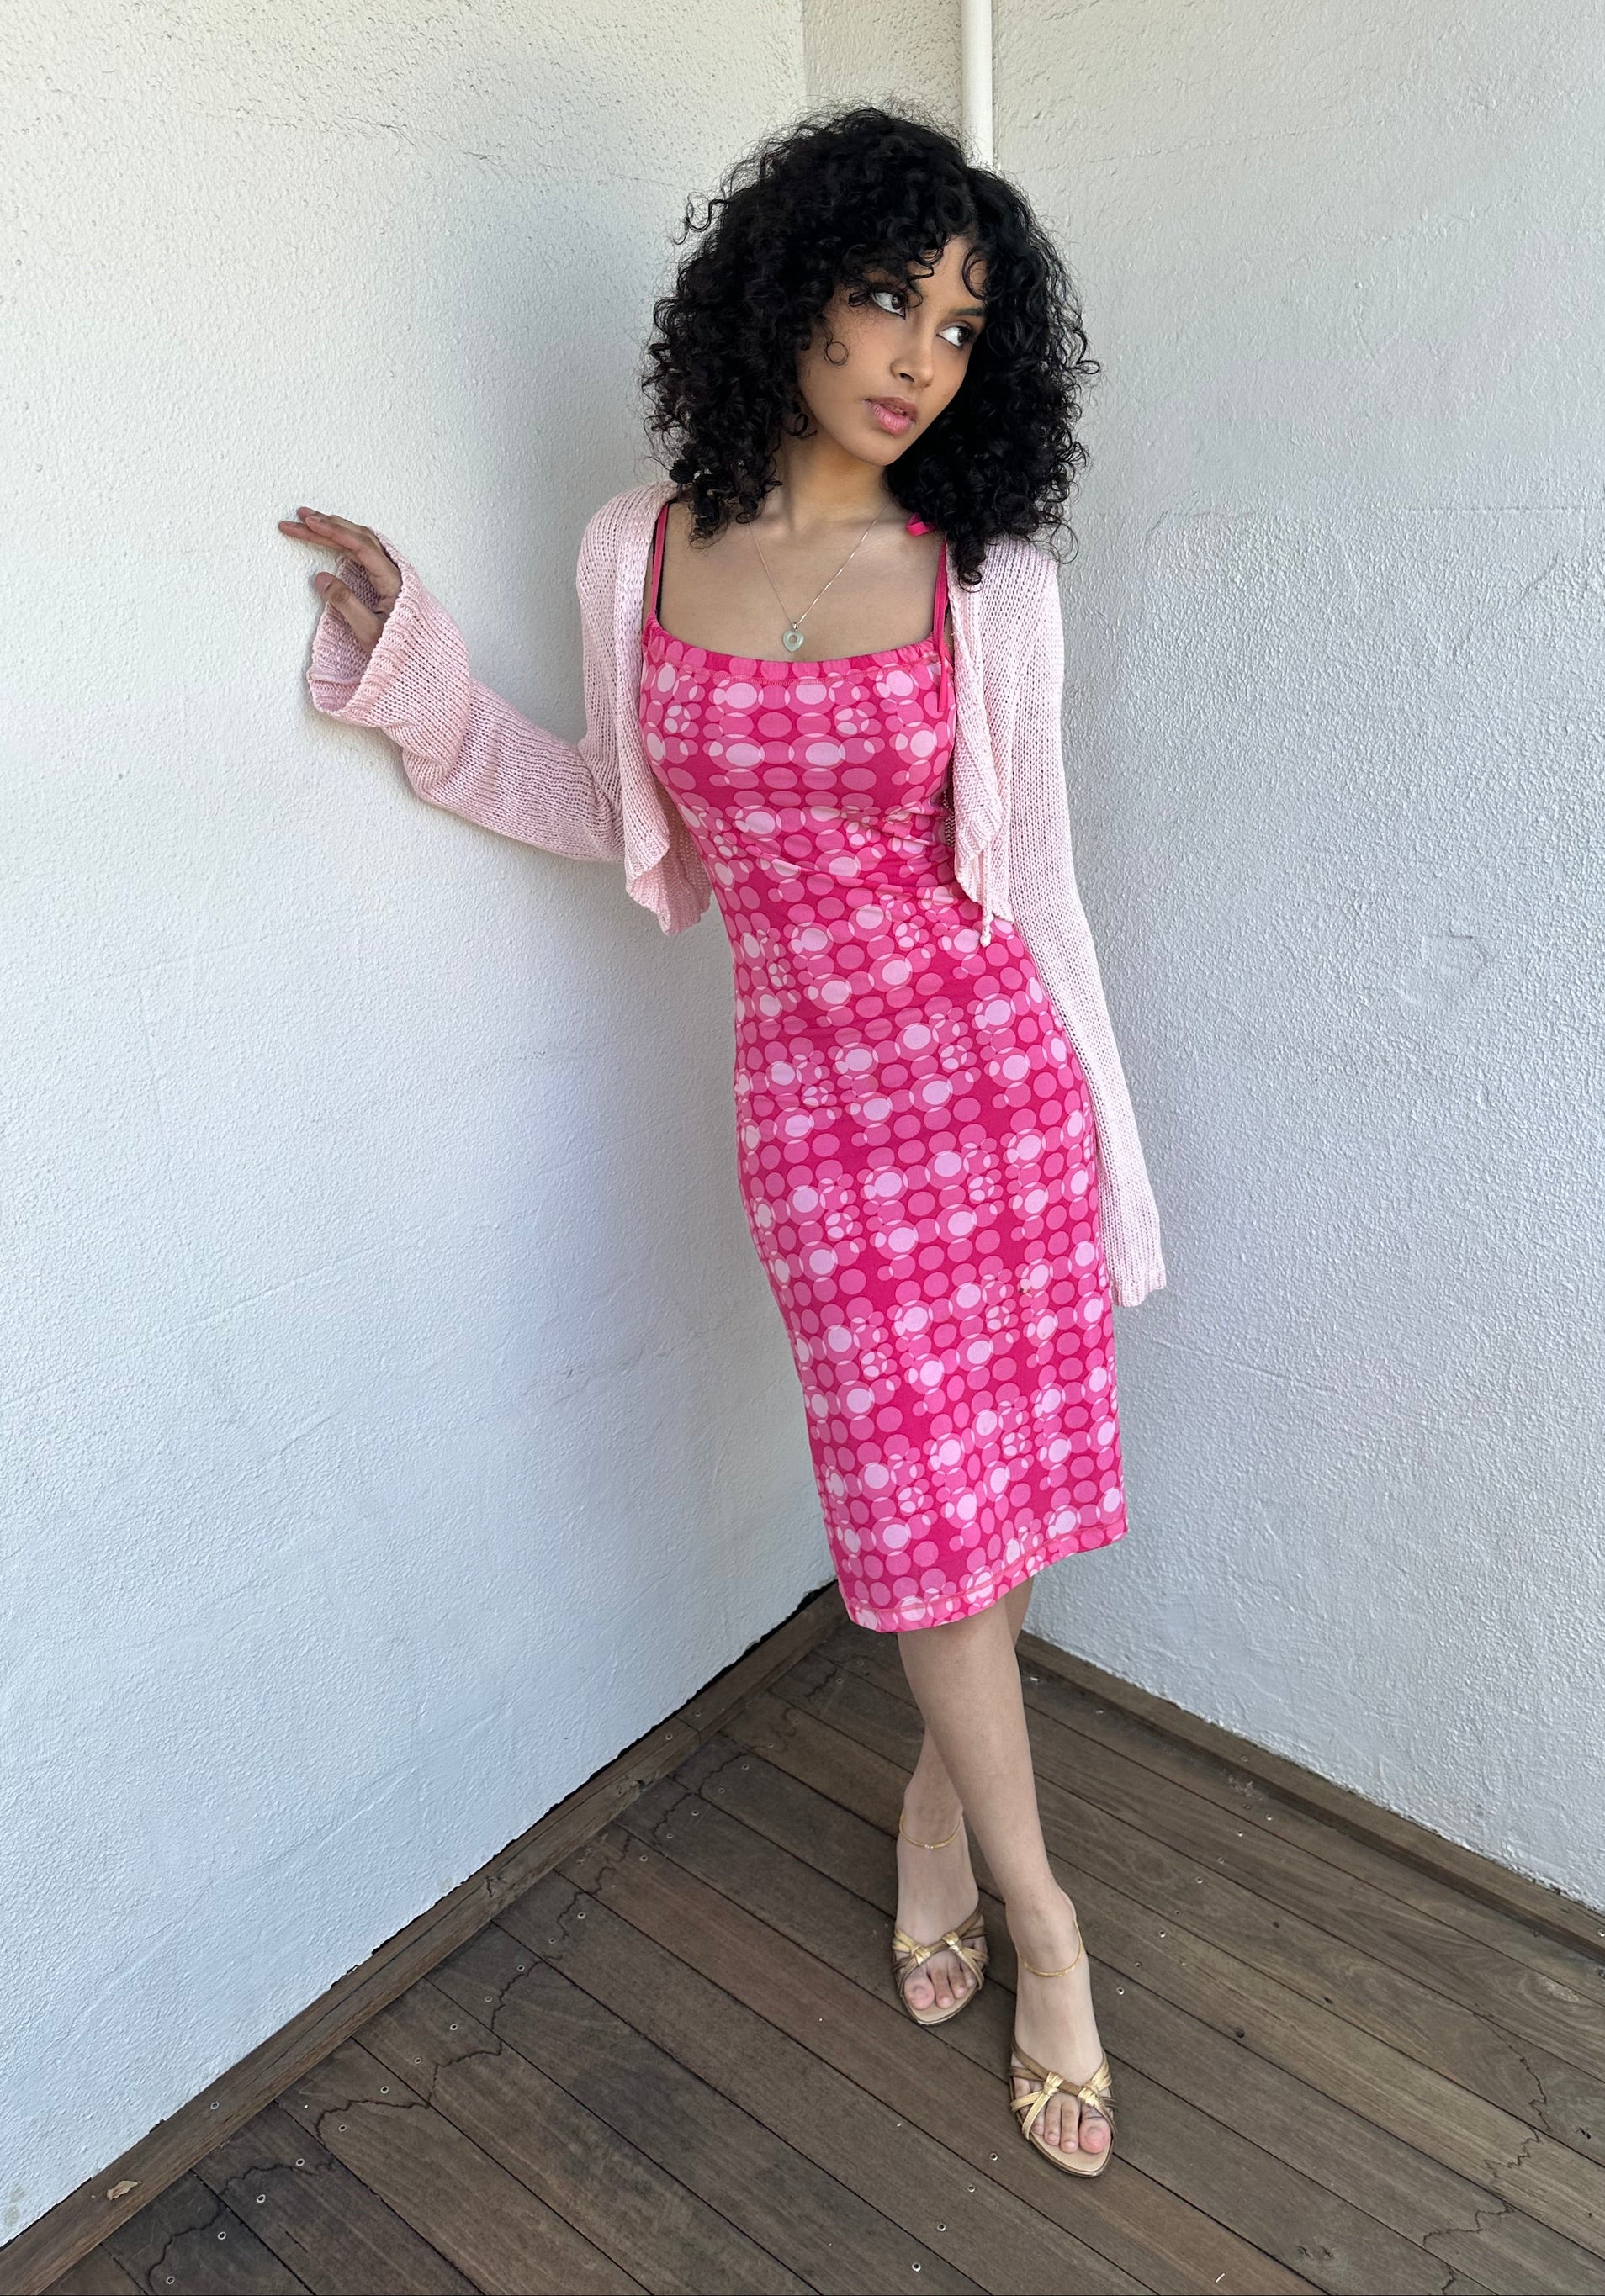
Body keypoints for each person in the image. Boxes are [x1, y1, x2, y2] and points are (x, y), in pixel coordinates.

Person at [281, 103, 1167, 2177]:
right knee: (918, 1504)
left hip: (988, 1078)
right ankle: (1014, 1875)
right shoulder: (638, 551)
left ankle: (996, 1867)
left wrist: (1105, 1153)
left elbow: (1036, 885)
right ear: (785, 286)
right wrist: (418, 680)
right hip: (814, 1117)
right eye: (883, 292)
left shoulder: (984, 582)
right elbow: (617, 813)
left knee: (983, 1502)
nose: (913, 355)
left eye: (959, 324)